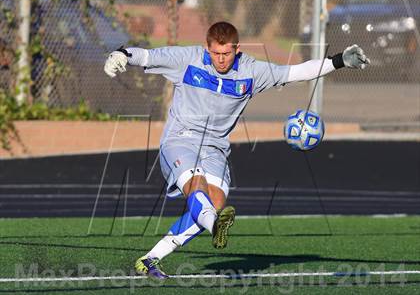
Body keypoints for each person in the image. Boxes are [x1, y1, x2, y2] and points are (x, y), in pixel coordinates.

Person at [104, 21, 370, 279]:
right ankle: (215, 227)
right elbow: (146, 56)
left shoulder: (251, 71)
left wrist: (338, 61)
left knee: (215, 203)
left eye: (227, 53)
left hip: (216, 148)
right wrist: (121, 54)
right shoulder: (187, 59)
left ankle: (150, 259)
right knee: (197, 188)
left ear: (237, 49)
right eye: (216, 53)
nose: (221, 59)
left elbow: (295, 73)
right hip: (180, 140)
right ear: (207, 49)